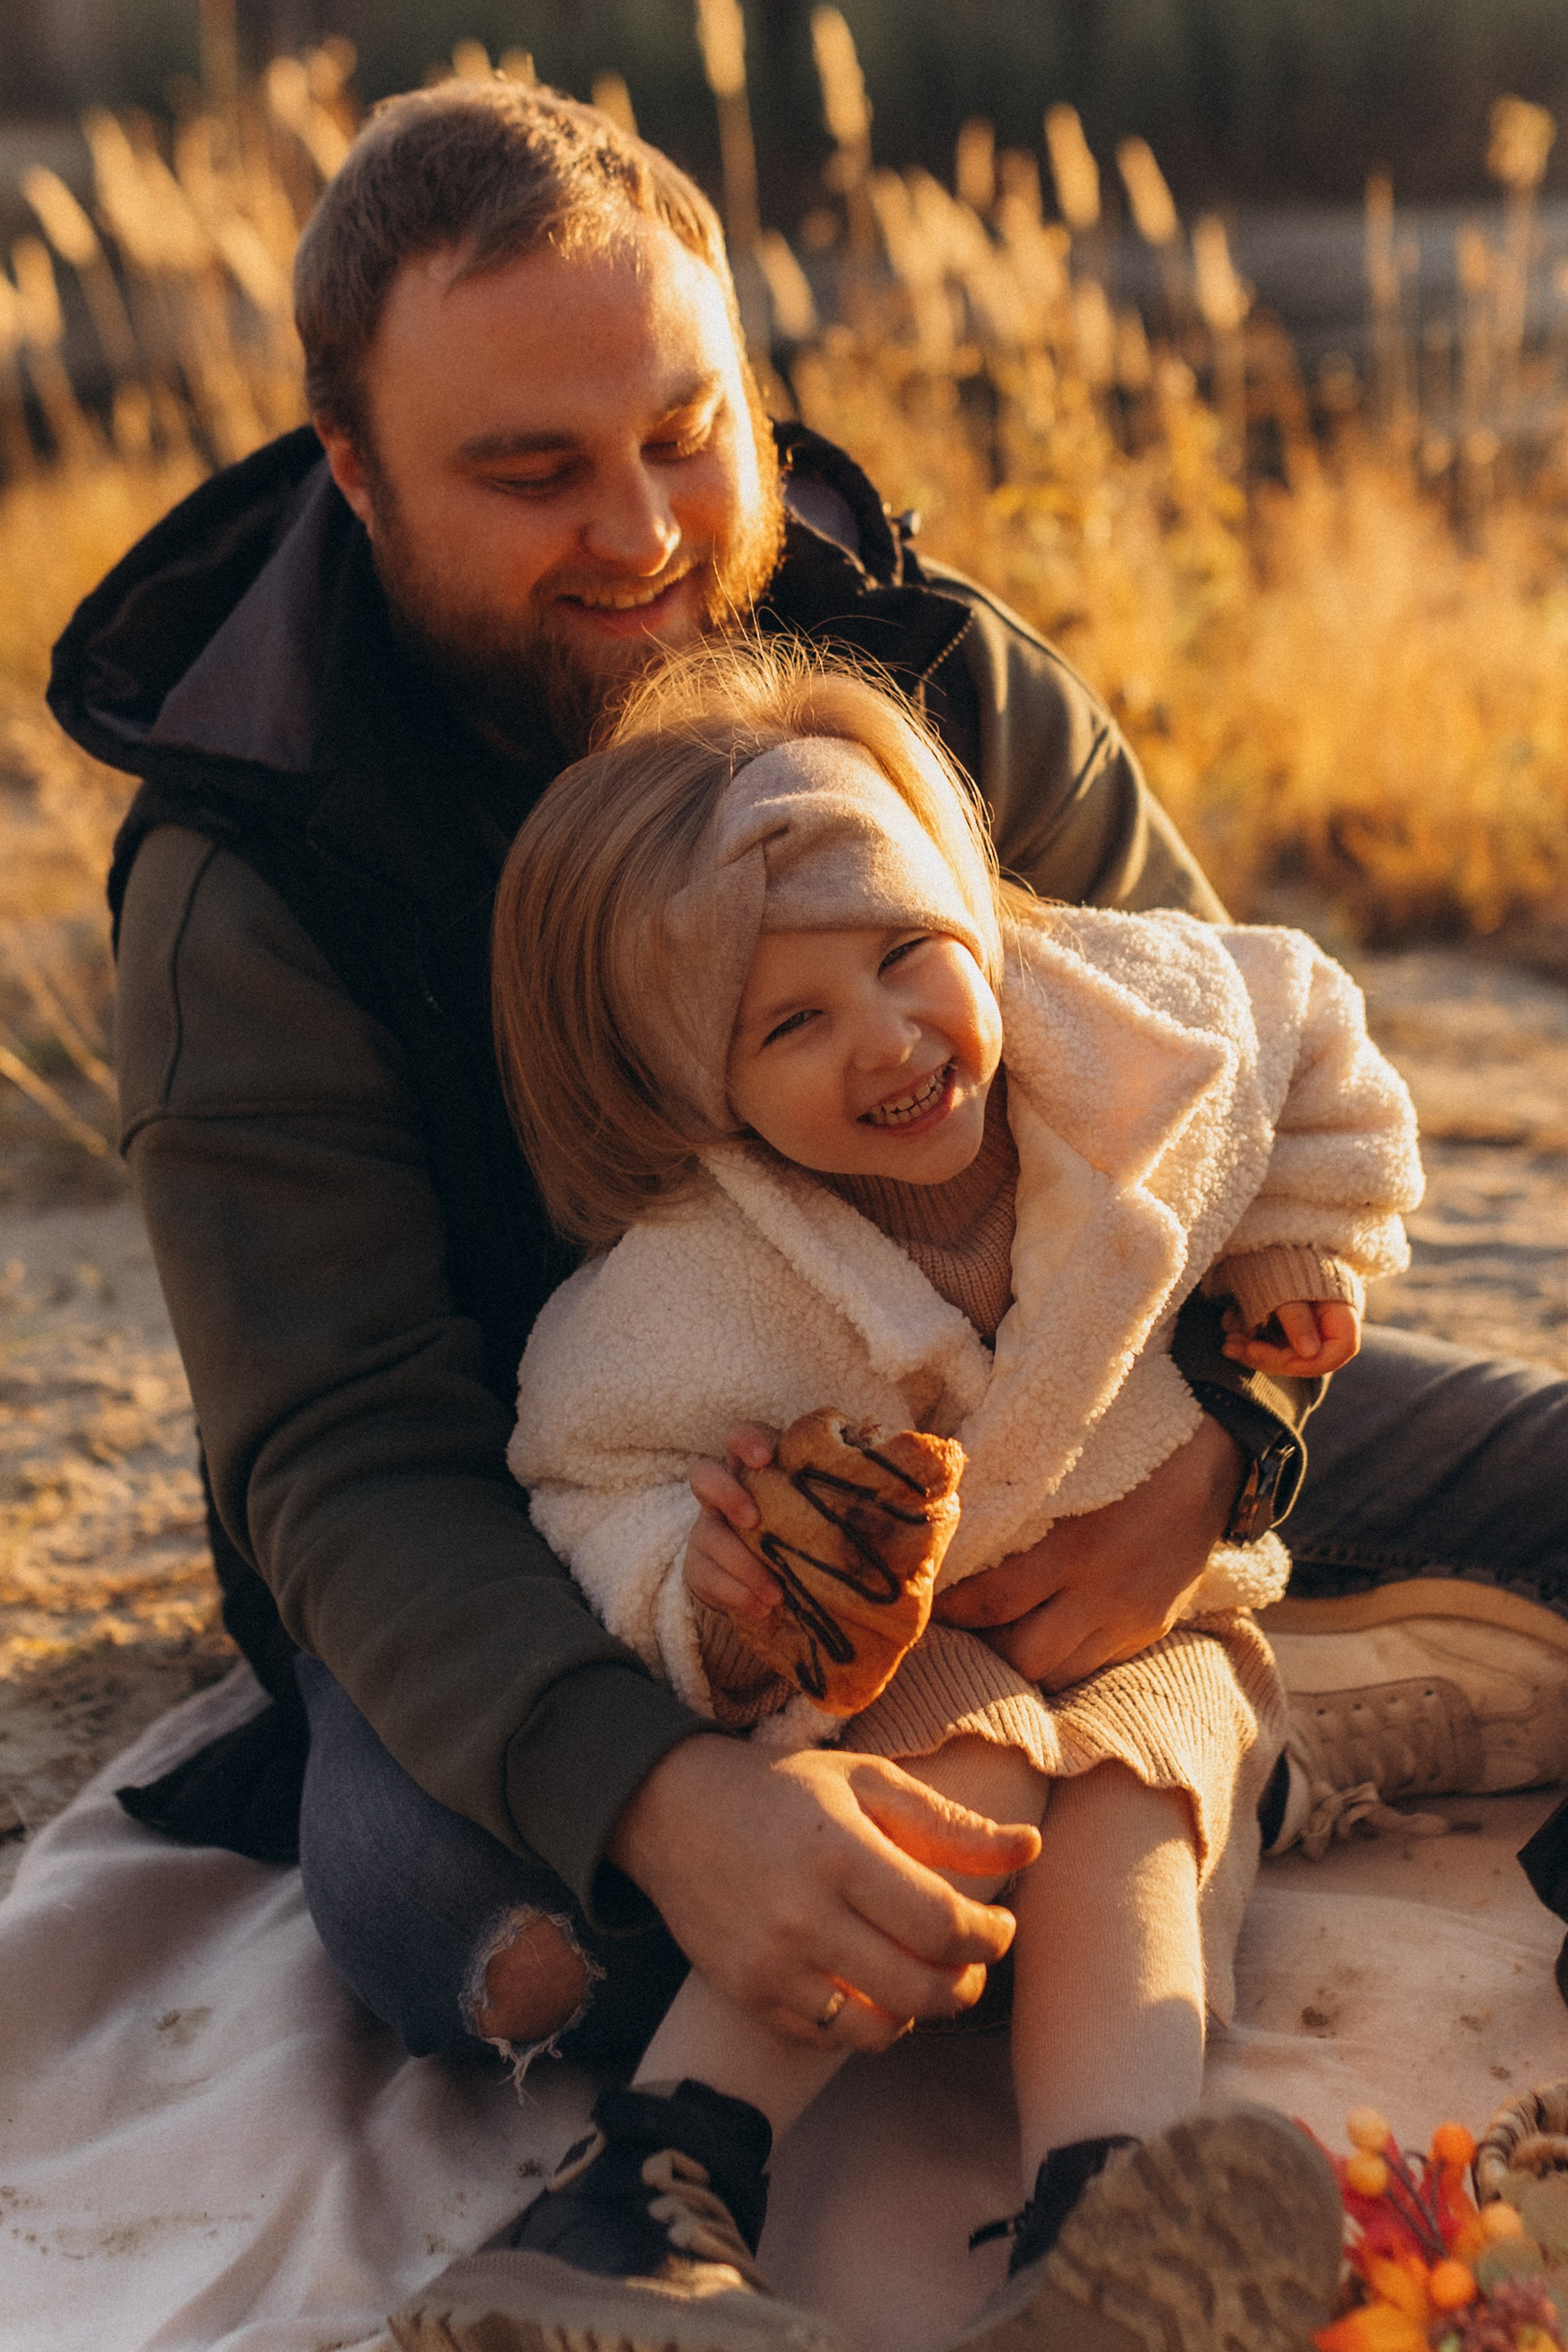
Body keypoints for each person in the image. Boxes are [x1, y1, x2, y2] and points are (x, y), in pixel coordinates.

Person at [43, 67, 1566, 2332]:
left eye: (688, 425)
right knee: (464, 1912)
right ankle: (667, 2176)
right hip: (567, 1527)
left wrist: (1227, 1455)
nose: (648, 527)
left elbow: (1234, 1099)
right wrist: (673, 1789)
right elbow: (343, 1459)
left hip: (1076, 1405)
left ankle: (1127, 1870)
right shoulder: (251, 870)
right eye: (533, 471)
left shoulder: (929, 670)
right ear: (357, 478)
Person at [399, 635, 1414, 2351]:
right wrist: (710, 1600)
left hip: (1163, 1608)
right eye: (793, 1021)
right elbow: (583, 1473)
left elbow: (1314, 1029)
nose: (890, 1040)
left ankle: (1112, 2235)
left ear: (968, 899)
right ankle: (638, 2207)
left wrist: (1303, 1244)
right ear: (693, 1081)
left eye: (908, 954)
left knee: (1141, 1812)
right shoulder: (694, 1282)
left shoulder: (1131, 1035)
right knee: (936, 1779)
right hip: (917, 1653)